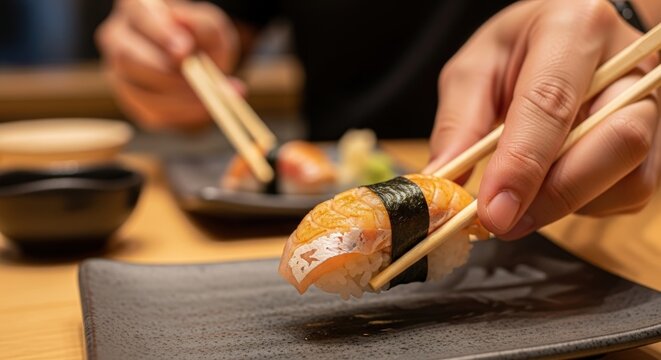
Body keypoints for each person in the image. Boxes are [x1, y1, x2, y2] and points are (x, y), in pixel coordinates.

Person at [97, 0, 661, 240]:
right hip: (329, 208)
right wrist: (170, 43)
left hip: (607, 232)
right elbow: (223, 20)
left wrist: (633, 19)